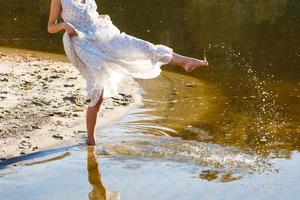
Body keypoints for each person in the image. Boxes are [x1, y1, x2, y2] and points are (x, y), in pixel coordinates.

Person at [47, 0, 209, 145]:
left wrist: (102, 17)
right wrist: (63, 25)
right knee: (98, 91)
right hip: (84, 45)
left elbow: (91, 17)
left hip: (104, 35)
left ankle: (184, 61)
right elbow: (50, 27)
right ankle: (91, 139)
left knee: (140, 46)